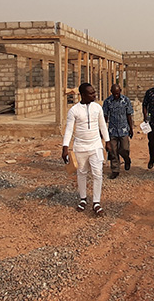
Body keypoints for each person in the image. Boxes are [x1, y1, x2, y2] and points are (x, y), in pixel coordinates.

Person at [62, 83, 112, 216]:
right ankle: (83, 199)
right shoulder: (74, 110)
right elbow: (68, 129)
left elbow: (103, 126)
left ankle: (96, 202)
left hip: (95, 146)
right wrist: (65, 147)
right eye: (91, 93)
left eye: (94, 92)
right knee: (82, 173)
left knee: (97, 174)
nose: (94, 95)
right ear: (83, 95)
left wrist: (107, 142)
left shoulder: (98, 108)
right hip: (80, 147)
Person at [102, 83, 134, 179]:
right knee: (113, 151)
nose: (116, 95)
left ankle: (127, 159)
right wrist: (103, 130)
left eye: (117, 93)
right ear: (111, 92)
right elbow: (105, 116)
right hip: (112, 130)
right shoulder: (107, 102)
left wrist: (131, 128)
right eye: (114, 93)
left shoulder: (126, 100)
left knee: (124, 148)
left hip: (124, 129)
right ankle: (115, 170)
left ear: (120, 91)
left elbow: (129, 115)